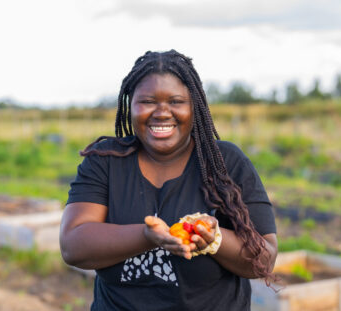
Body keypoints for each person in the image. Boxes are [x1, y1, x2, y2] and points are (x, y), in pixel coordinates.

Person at [60, 50, 278, 310]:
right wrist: (147, 235)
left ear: (194, 106)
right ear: (130, 106)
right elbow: (73, 245)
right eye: (148, 101)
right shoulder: (106, 161)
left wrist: (214, 239)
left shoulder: (225, 163)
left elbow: (264, 259)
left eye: (176, 101)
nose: (162, 112)